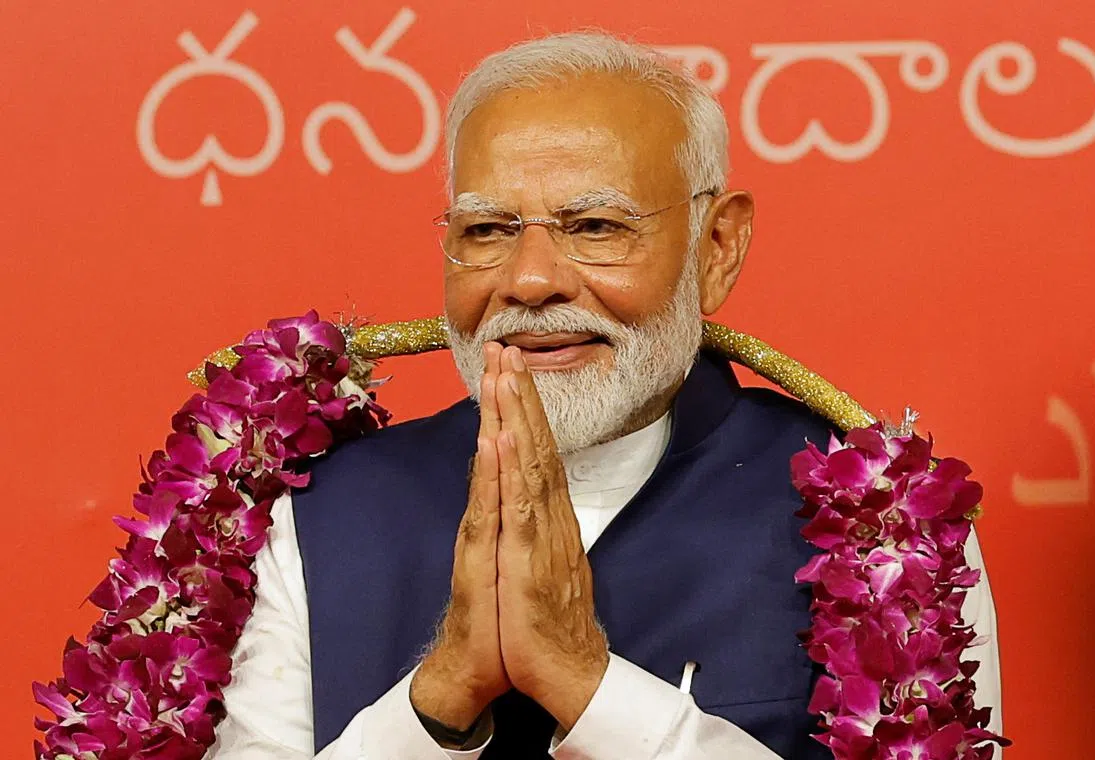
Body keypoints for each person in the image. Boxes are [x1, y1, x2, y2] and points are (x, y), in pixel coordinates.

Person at [203, 31, 1002, 759]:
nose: (530, 281)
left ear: (716, 247)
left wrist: (591, 688)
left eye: (595, 227)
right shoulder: (320, 509)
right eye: (486, 231)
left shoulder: (883, 525)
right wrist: (440, 697)